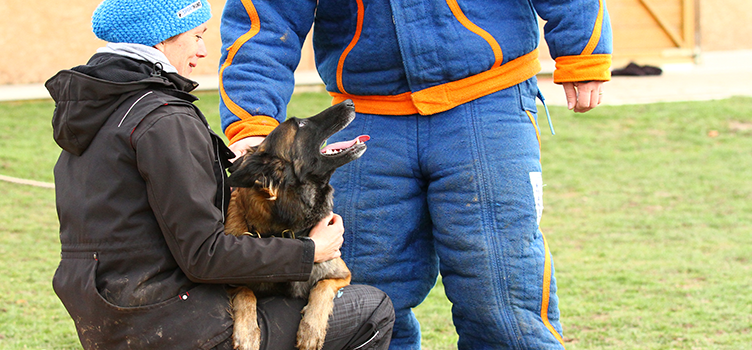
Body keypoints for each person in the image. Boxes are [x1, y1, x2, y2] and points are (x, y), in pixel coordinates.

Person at [218, 0, 612, 348]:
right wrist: (254, 120)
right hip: (370, 111)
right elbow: (264, 15)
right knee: (361, 300)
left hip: (488, 98)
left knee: (500, 290)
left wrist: (584, 46)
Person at [45, 0, 394, 349]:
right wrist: (311, 250)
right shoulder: (164, 120)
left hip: (111, 318)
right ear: (161, 39)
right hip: (172, 322)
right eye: (197, 35)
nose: (202, 50)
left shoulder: (97, 113)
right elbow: (204, 256)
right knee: (372, 309)